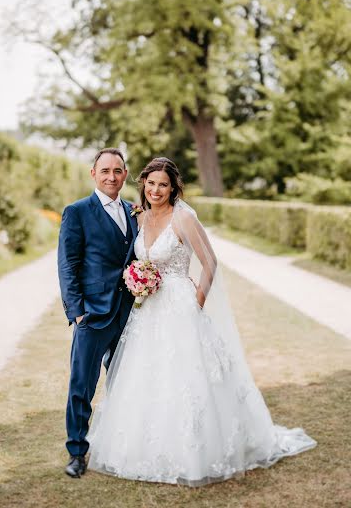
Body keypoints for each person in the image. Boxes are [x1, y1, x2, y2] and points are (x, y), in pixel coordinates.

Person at [87, 157, 316, 486]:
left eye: (163, 184)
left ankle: (198, 450)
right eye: (150, 183)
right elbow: (141, 259)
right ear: (143, 185)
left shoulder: (184, 218)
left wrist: (197, 300)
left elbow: (210, 263)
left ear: (173, 187)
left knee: (189, 377)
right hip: (149, 308)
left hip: (180, 304)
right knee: (148, 376)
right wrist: (138, 279)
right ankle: (147, 447)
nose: (156, 190)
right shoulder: (141, 217)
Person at [57, 148, 138, 478]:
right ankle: (77, 452)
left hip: (129, 314)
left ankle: (126, 443)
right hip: (92, 315)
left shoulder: (134, 211)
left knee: (127, 382)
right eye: (105, 170)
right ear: (93, 173)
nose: (111, 176)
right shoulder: (77, 212)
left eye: (118, 171)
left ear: (125, 174)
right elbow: (68, 265)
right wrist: (77, 313)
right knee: (82, 387)